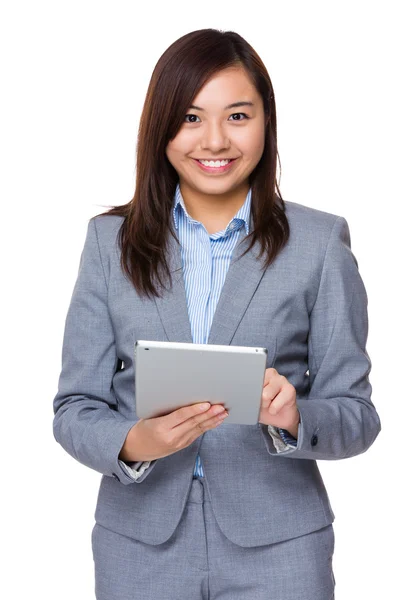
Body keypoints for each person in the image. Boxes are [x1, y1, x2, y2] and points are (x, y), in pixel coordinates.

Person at [52, 28, 381, 600]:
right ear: (162, 130)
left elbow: (356, 415)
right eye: (190, 118)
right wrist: (135, 442)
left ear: (265, 124)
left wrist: (293, 417)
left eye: (237, 116)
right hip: (139, 547)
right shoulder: (109, 243)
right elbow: (74, 407)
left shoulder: (320, 243)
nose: (214, 141)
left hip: (280, 548)